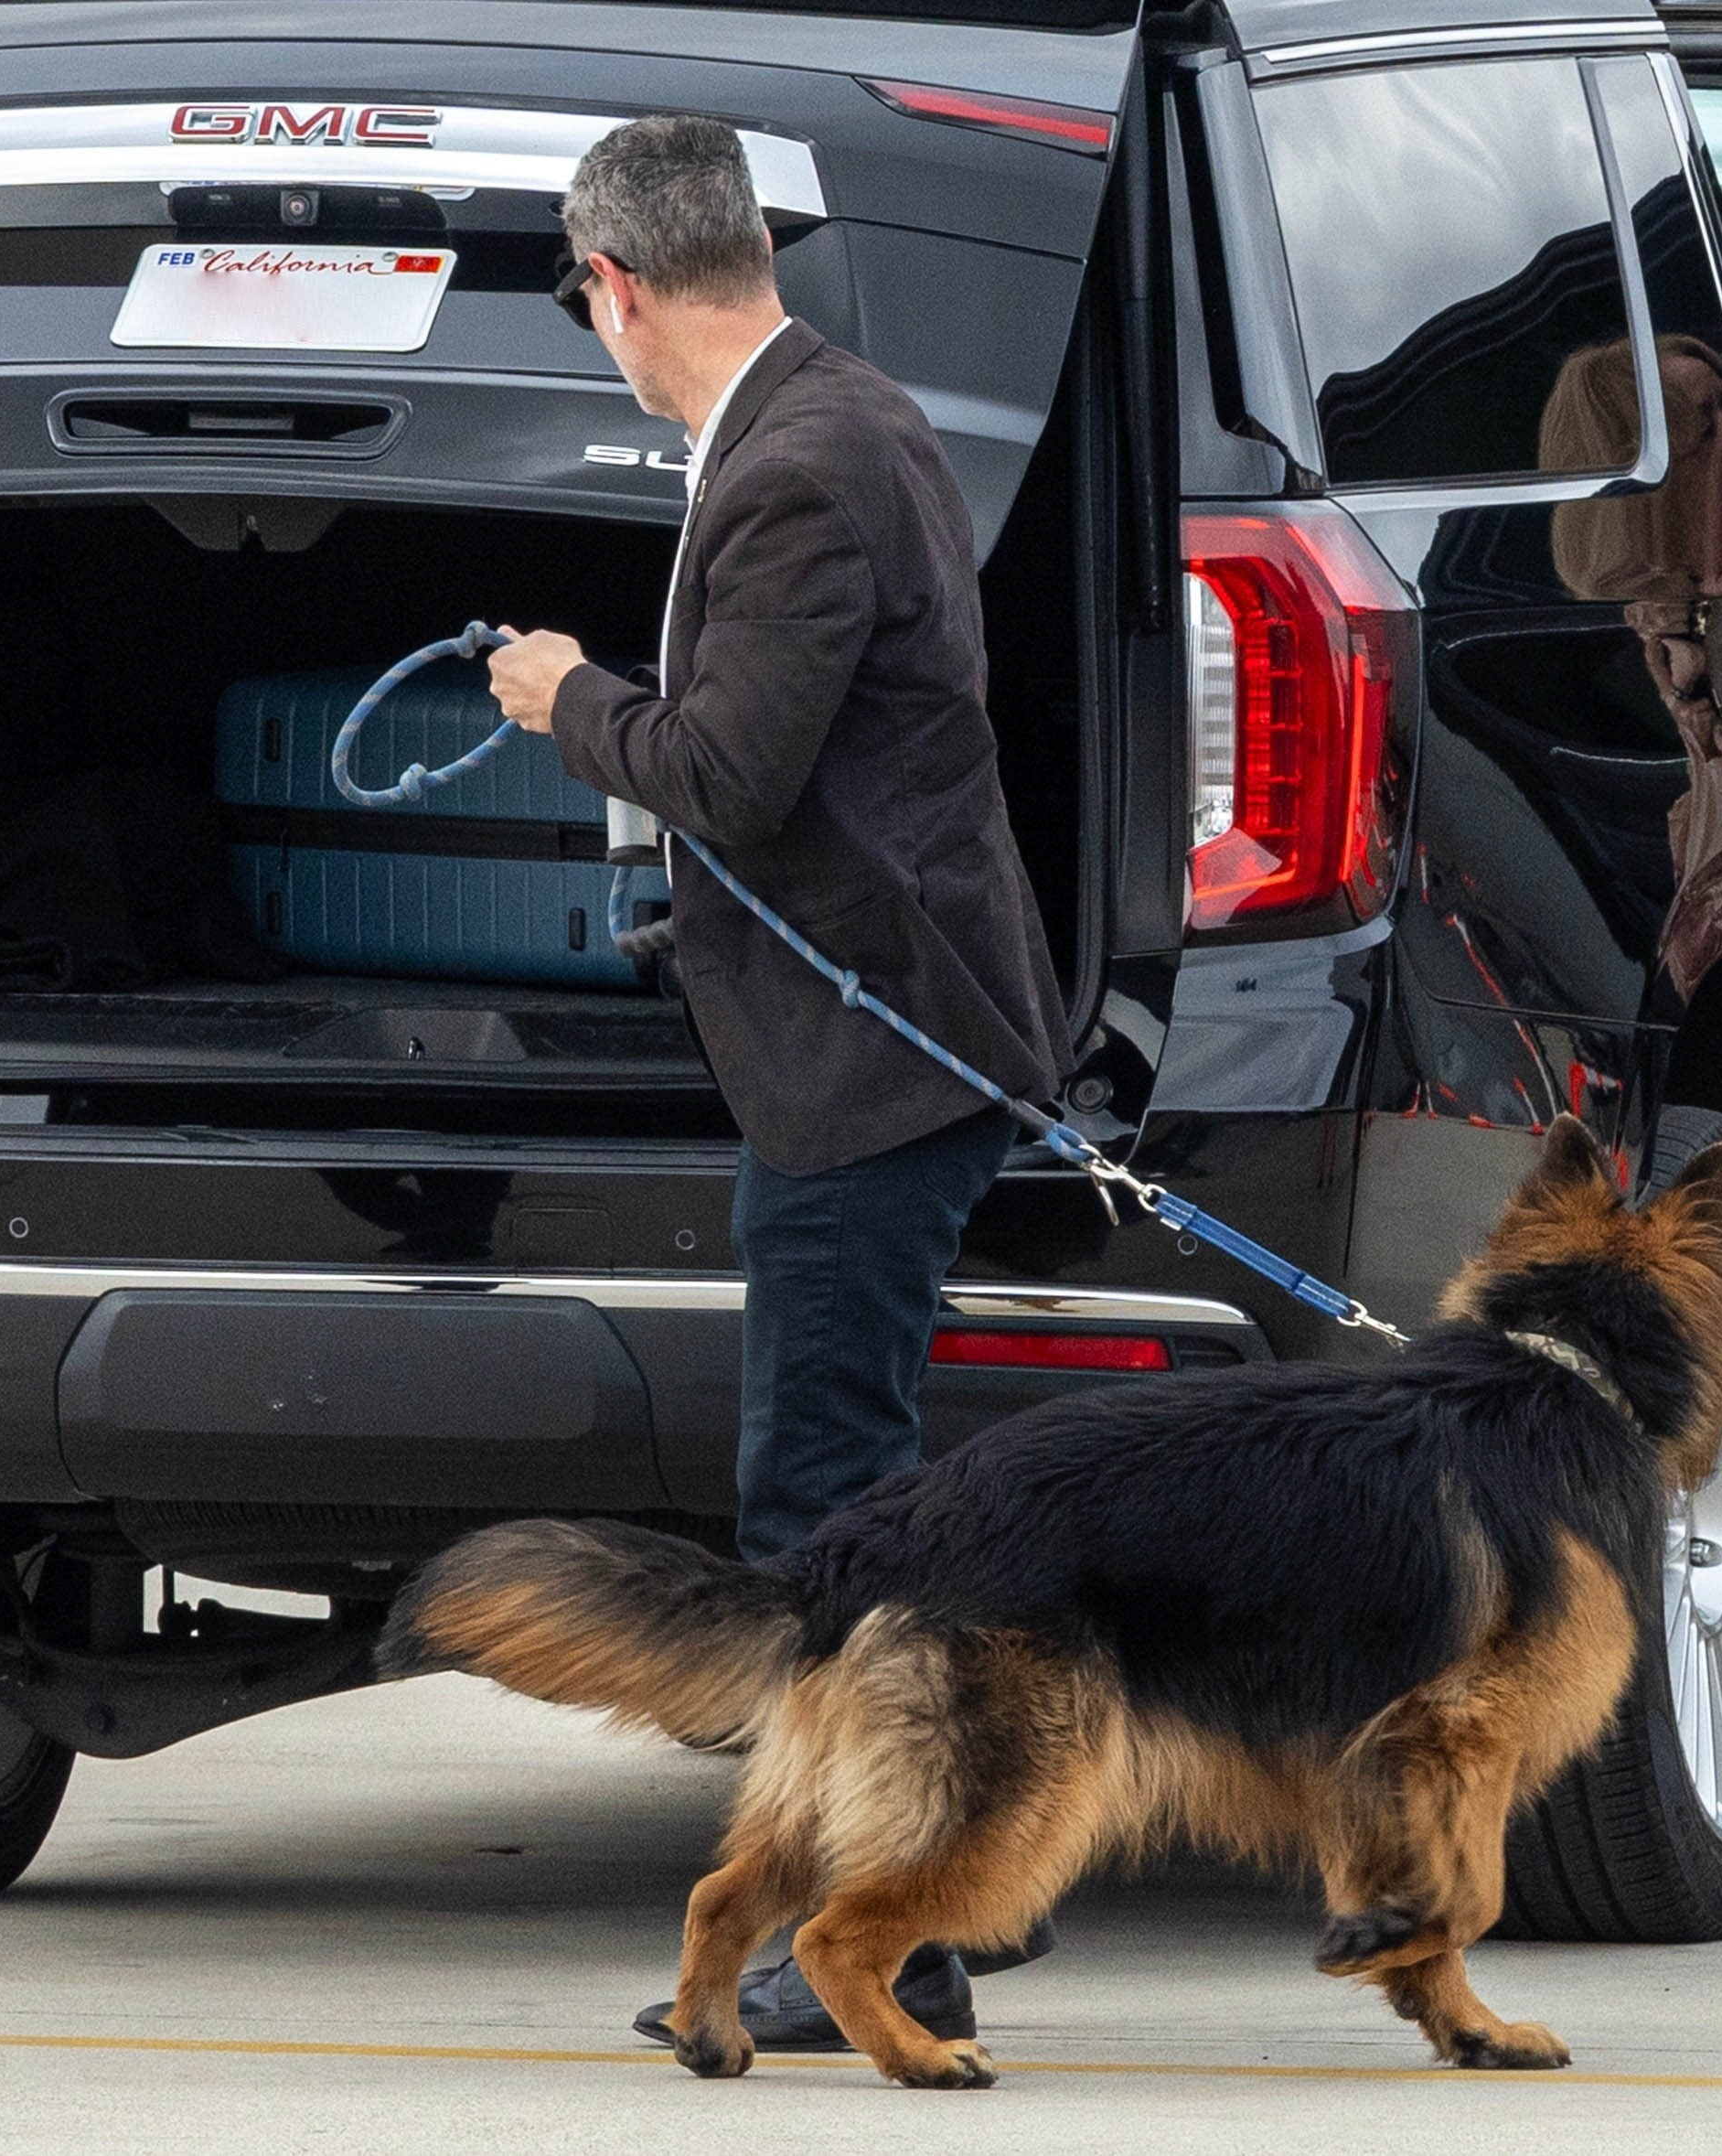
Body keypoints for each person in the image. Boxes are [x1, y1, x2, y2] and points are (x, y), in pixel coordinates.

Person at [481, 115, 1073, 2044]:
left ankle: (886, 1941)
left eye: (586, 301)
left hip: (873, 1055)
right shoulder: (841, 411)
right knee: (882, 1493)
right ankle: (967, 1871)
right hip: (895, 1033)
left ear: (618, 283)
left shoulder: (799, 466)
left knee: (823, 1517)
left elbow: (730, 770)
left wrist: (568, 700)